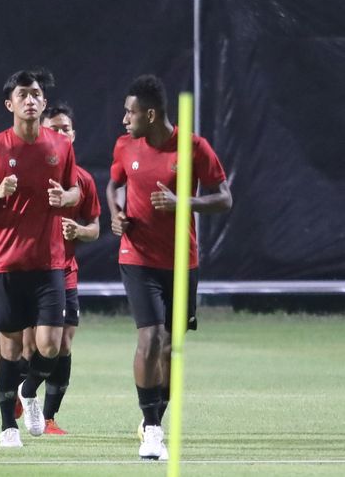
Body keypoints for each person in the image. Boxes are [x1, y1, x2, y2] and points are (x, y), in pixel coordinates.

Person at [105, 74, 232, 460]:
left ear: (151, 113)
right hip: (137, 258)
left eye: (130, 112)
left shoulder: (194, 147)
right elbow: (113, 185)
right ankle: (154, 432)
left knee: (169, 350)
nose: (125, 119)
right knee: (151, 337)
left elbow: (224, 198)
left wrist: (185, 204)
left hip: (180, 261)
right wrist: (116, 215)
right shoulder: (125, 146)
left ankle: (151, 419)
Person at [0, 68, 80, 448]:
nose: (30, 100)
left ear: (43, 103)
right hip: (5, 265)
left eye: (36, 94)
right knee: (9, 350)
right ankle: (7, 427)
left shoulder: (59, 146)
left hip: (49, 264)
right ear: (10, 104)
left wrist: (67, 198)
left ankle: (30, 391)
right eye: (22, 94)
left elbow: (76, 190)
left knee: (50, 346)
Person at [34, 102, 100, 435]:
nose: (61, 134)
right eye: (54, 128)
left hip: (65, 272)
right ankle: (23, 392)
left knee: (63, 345)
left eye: (66, 128)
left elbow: (95, 227)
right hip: (28, 272)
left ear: (74, 134)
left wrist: (79, 232)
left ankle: (47, 417)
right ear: (43, 132)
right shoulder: (32, 172)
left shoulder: (83, 180)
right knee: (27, 345)